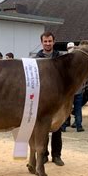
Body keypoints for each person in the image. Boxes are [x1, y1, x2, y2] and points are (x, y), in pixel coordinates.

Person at [35, 31, 65, 166]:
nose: (47, 43)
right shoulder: (36, 58)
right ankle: (44, 155)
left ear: (54, 42)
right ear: (42, 42)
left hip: (57, 98)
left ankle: (57, 156)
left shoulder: (61, 57)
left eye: (50, 41)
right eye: (45, 41)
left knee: (57, 129)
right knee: (43, 129)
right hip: (41, 99)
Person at [62, 42, 85, 132]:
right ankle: (79, 126)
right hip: (78, 89)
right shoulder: (80, 61)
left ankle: (63, 126)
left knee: (66, 108)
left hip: (68, 90)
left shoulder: (64, 60)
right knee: (78, 109)